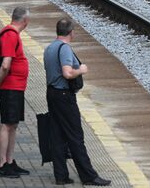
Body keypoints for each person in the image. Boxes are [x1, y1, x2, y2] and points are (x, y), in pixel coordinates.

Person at [43, 18, 111, 186]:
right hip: (64, 96)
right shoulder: (64, 49)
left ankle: (61, 175)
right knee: (75, 136)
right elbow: (67, 73)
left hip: (51, 93)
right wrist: (81, 70)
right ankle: (89, 176)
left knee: (58, 135)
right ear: (71, 32)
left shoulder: (50, 48)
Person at [0, 6, 31, 179]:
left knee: (13, 124)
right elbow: (5, 65)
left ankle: (10, 161)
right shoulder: (10, 35)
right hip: (9, 87)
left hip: (16, 87)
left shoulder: (13, 34)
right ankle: (2, 164)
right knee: (6, 124)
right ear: (25, 21)